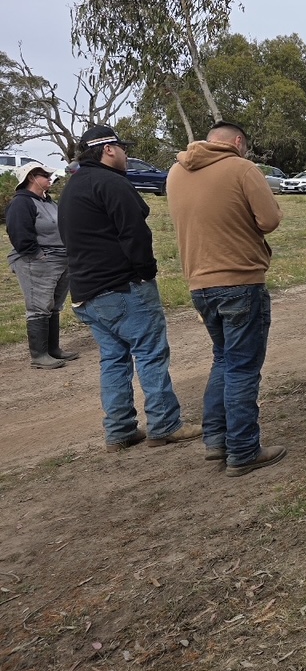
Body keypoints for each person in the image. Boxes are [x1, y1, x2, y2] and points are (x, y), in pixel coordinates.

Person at [58, 124, 202, 451]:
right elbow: (136, 234)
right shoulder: (112, 183)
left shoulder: (72, 187)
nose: (126, 154)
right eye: (122, 148)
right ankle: (165, 425)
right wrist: (145, 272)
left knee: (113, 359)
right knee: (150, 353)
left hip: (85, 292)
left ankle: (120, 430)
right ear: (109, 149)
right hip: (123, 287)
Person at [168, 121, 287, 476]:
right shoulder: (241, 167)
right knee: (242, 367)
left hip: (199, 283)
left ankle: (216, 439)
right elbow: (269, 220)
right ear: (237, 142)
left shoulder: (175, 172)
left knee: (223, 360)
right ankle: (244, 449)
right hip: (239, 279)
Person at [5, 161, 77, 369]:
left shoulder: (47, 201)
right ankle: (39, 355)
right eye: (45, 175)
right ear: (31, 178)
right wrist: (37, 255)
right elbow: (18, 232)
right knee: (39, 307)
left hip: (60, 260)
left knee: (54, 306)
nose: (49, 178)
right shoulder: (22, 203)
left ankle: (53, 349)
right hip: (38, 262)